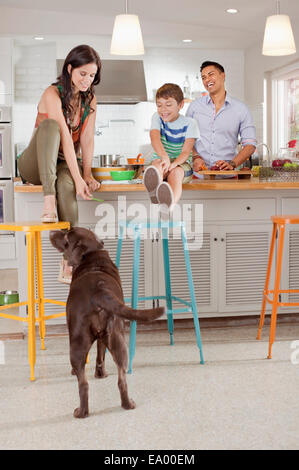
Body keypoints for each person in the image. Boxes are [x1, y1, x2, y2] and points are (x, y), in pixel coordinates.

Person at [18, 44, 102, 282]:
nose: (87, 80)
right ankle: (48, 200)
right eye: (82, 74)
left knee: (66, 187)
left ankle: (69, 259)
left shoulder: (90, 100)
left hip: (63, 163)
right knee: (51, 126)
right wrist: (78, 177)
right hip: (35, 164)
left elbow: (86, 139)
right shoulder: (52, 93)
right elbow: (65, 136)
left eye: (92, 75)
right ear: (69, 69)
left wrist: (85, 175)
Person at [186, 61, 257, 173]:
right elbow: (187, 138)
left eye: (211, 74)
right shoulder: (194, 107)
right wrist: (196, 157)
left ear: (223, 76)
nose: (207, 80)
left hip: (228, 177)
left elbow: (250, 144)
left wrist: (232, 163)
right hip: (198, 175)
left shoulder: (241, 109)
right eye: (203, 77)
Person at [143, 83, 200, 213]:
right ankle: (153, 192)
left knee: (176, 173)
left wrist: (174, 164)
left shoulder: (190, 123)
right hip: (163, 159)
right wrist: (164, 158)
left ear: (180, 105)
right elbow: (155, 139)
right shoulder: (157, 117)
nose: (163, 109)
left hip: (181, 163)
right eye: (159, 105)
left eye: (168, 105)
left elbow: (186, 151)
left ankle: (170, 204)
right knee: (156, 165)